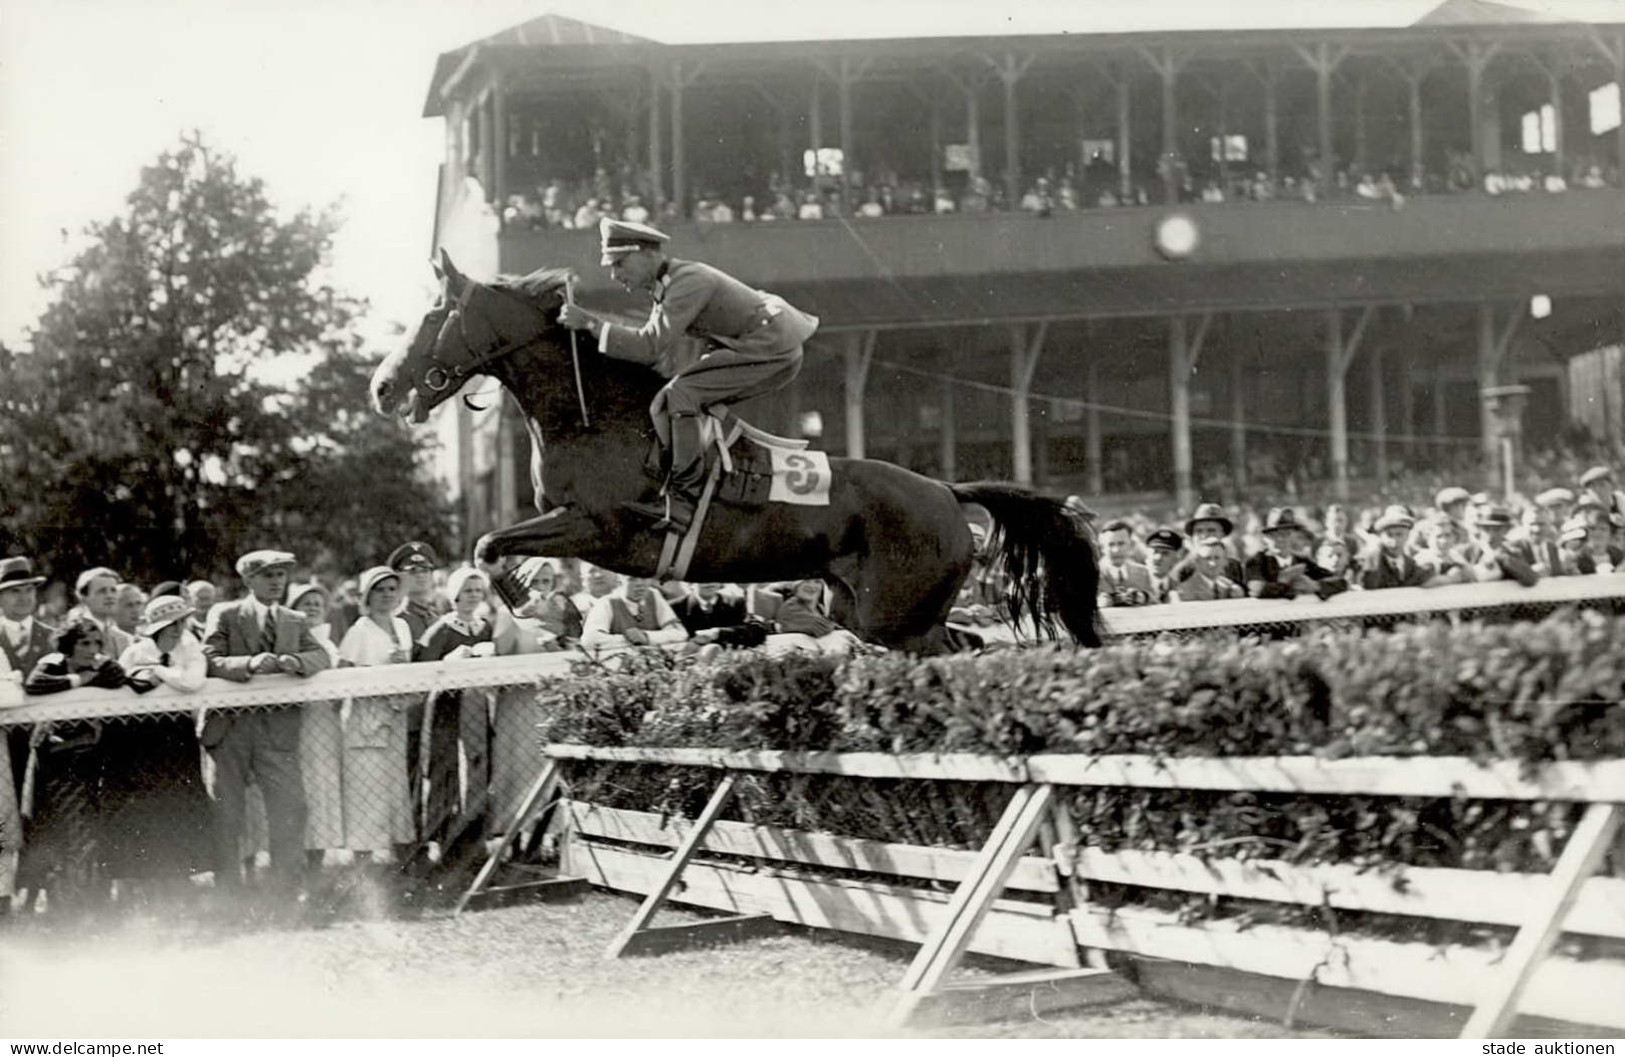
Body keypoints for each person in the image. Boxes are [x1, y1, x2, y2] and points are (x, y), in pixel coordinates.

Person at [558, 217, 821, 531]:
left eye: (619, 263)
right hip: (766, 342)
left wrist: (591, 324)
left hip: (770, 345)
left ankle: (685, 501)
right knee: (668, 400)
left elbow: (649, 346)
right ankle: (698, 479)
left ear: (647, 254)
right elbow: (653, 346)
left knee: (679, 396)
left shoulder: (687, 282)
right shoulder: (670, 284)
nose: (615, 275)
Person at [202, 550, 330, 904]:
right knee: (227, 811)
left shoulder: (294, 619)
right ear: (248, 580)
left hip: (277, 732)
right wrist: (249, 663)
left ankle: (285, 890)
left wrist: (296, 661)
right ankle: (229, 890)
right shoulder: (226, 614)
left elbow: (322, 656)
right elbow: (209, 658)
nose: (276, 581)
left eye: (281, 575)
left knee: (292, 807)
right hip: (230, 729)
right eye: (267, 575)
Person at [102, 597, 213, 893]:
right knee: (147, 805)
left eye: (181, 623)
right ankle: (142, 880)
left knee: (179, 800)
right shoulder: (135, 651)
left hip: (177, 735)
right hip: (141, 738)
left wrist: (159, 673)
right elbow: (120, 687)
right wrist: (144, 674)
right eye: (171, 624)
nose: (178, 630)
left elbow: (192, 682)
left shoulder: (190, 648)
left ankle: (178, 876)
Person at [335, 566, 416, 868]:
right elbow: (343, 674)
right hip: (366, 718)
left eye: (391, 589)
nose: (386, 595)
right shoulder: (359, 630)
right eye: (379, 590)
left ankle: (398, 853)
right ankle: (361, 860)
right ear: (367, 595)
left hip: (396, 715)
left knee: (394, 785)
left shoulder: (403, 627)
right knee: (365, 786)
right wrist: (376, 674)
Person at [1245, 508, 1345, 600]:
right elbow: (1256, 589)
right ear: (1266, 538)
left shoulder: (1302, 562)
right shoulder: (1257, 561)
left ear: (1293, 536)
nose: (1280, 539)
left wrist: (1315, 586)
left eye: (1285, 534)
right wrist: (1287, 584)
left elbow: (1340, 582)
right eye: (1274, 535)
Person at [580, 575, 690, 650]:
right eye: (632, 579)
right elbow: (589, 640)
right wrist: (627, 639)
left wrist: (646, 637)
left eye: (644, 578)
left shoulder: (653, 595)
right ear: (620, 580)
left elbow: (680, 633)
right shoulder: (607, 603)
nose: (639, 584)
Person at [388, 542, 449, 654]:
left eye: (425, 570)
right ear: (399, 576)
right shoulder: (397, 621)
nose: (420, 575)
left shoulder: (439, 616)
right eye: (413, 571)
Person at [1359, 508, 1434, 590]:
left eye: (1399, 534)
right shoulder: (1373, 561)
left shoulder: (1411, 564)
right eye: (1389, 535)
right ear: (1381, 536)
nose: (1394, 541)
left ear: (1407, 536)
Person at [67, 567, 132, 660]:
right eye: (102, 591)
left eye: (113, 590)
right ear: (84, 597)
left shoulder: (123, 638)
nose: (110, 596)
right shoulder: (73, 633)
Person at [1467, 506, 1540, 586]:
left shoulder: (1514, 552)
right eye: (1486, 529)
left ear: (1506, 530)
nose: (1491, 534)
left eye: (1496, 530)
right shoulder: (1470, 551)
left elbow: (1531, 579)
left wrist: (1500, 557)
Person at [1096, 519, 1154, 607]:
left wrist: (1143, 597)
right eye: (1111, 544)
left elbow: (1155, 602)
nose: (1116, 550)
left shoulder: (1142, 572)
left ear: (1130, 545)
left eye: (1121, 544)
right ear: (1102, 547)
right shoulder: (1091, 573)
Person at [1170, 539, 1244, 602]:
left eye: (1217, 558)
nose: (1212, 563)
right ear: (1197, 562)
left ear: (1225, 561)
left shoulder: (1227, 586)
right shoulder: (1185, 590)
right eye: (1207, 558)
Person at [1143, 529, 1184, 604]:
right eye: (1154, 552)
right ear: (1146, 556)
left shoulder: (1181, 587)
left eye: (1165, 553)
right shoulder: (1136, 583)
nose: (1158, 558)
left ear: (1175, 559)